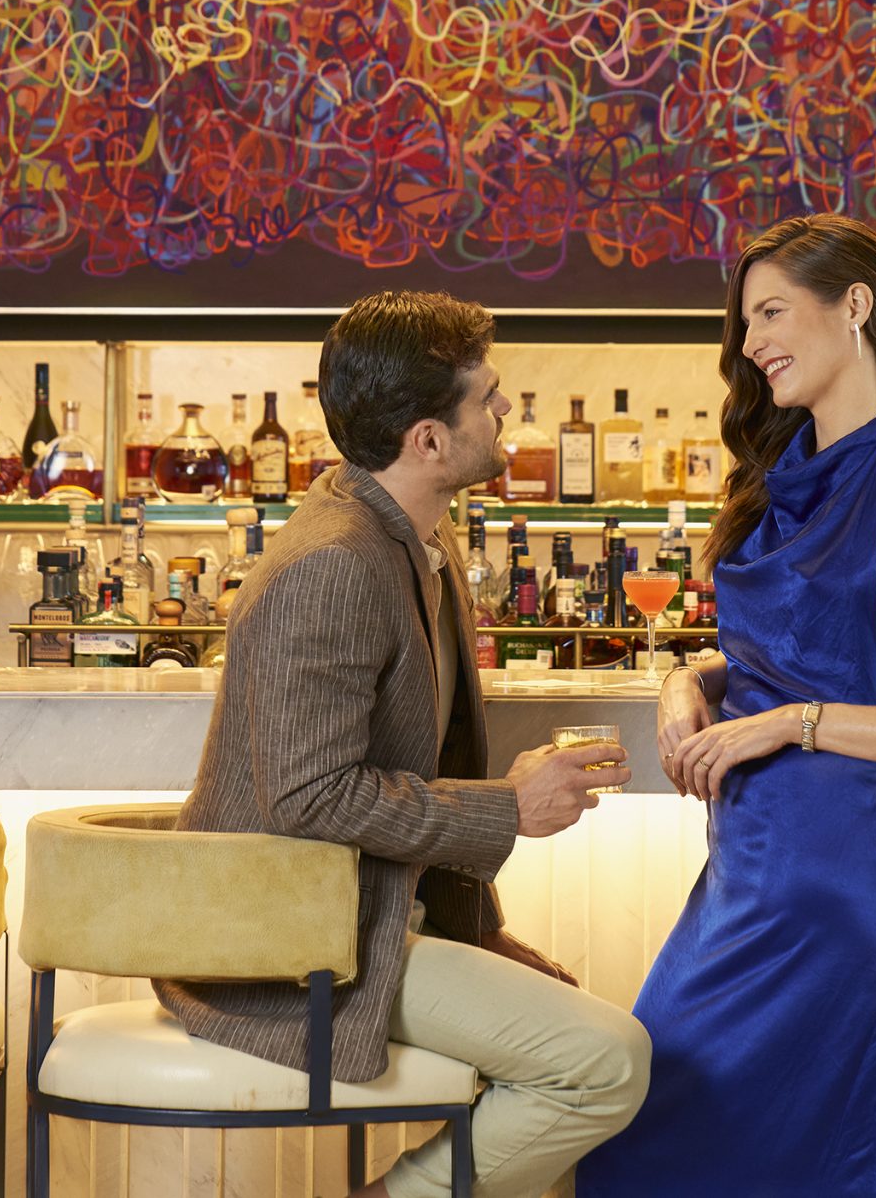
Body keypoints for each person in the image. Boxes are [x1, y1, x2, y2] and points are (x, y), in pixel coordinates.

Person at [156, 290, 653, 1198]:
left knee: (589, 1036)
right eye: (487, 397)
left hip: (373, 917)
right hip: (293, 944)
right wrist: (510, 807)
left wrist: (483, 928)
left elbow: (430, 756)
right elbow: (308, 796)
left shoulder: (420, 534)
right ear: (428, 439)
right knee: (606, 1061)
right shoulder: (333, 563)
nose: (506, 410)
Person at [576, 215, 876, 1196]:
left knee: (735, 1162)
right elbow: (774, 656)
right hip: (746, 876)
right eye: (746, 321)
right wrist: (688, 679)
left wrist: (788, 723)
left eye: (771, 312)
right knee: (640, 1149)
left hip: (832, 891)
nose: (751, 340)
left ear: (854, 305)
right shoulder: (778, 476)